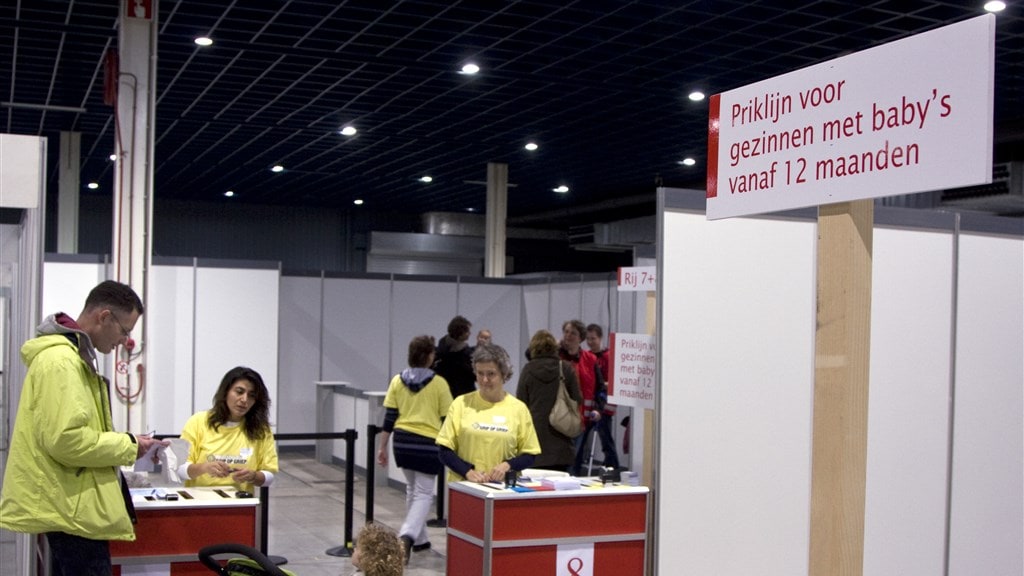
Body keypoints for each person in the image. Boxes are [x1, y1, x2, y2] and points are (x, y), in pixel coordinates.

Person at [0, 280, 167, 576]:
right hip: (72, 512)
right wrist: (128, 445)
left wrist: (130, 444)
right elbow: (67, 441)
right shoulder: (62, 362)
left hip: (74, 506)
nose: (124, 341)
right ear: (104, 317)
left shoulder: (73, 358)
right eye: (125, 331)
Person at [376, 335, 453, 563]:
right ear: (430, 356)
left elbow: (389, 417)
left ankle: (420, 541)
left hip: (402, 441)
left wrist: (382, 447)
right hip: (427, 443)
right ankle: (407, 536)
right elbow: (447, 417)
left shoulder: (397, 381)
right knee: (424, 494)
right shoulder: (439, 384)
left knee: (412, 490)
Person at [437, 343, 541, 483]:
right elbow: (444, 451)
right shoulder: (461, 404)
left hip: (503, 490)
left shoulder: (519, 409)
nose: (485, 380)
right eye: (480, 373)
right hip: (466, 487)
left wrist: (508, 465)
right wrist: (468, 472)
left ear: (504, 374)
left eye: (491, 374)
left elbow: (530, 453)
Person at [178, 366, 279, 494]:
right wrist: (204, 467)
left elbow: (269, 477)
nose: (244, 400)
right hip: (199, 501)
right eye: (239, 392)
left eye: (251, 395)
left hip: (240, 502)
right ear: (226, 391)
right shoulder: (198, 421)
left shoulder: (261, 430)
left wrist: (253, 476)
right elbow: (180, 470)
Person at [515, 329, 583, 471]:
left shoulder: (528, 370)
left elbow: (520, 403)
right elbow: (577, 398)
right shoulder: (565, 368)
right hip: (562, 438)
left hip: (535, 439)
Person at [558, 319, 619, 475]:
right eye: (566, 332)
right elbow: (531, 354)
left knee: (575, 458)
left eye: (573, 333)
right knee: (558, 461)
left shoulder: (590, 359)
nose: (568, 336)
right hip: (557, 418)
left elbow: (599, 387)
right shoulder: (555, 356)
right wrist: (553, 346)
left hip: (581, 418)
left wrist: (599, 408)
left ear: (580, 338)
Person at [585, 323, 621, 470]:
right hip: (590, 402)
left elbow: (613, 380)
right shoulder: (588, 356)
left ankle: (614, 468)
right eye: (588, 339)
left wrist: (603, 384)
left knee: (605, 438)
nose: (590, 342)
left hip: (604, 403)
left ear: (600, 338)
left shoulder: (608, 356)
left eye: (593, 338)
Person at [433, 315, 476, 398]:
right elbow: (474, 375)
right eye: (467, 331)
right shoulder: (465, 357)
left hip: (444, 396)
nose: (470, 333)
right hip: (463, 397)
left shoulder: (439, 352)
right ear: (460, 335)